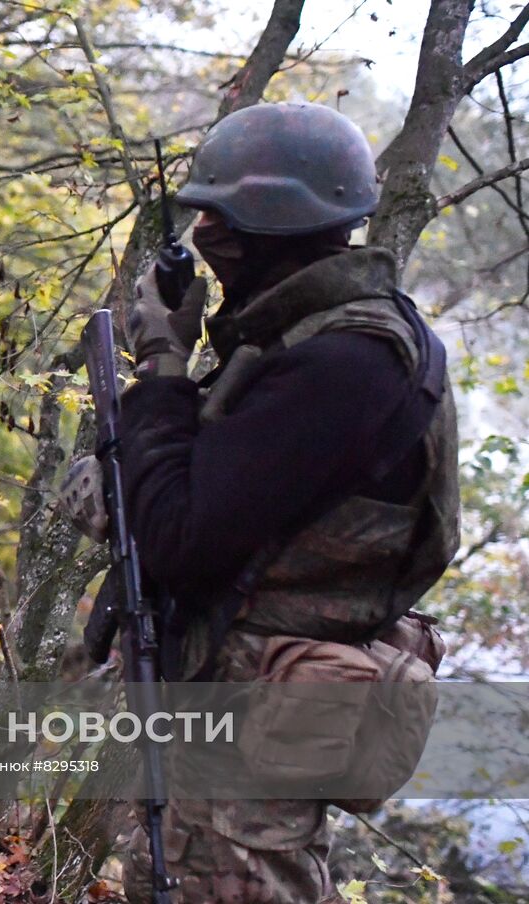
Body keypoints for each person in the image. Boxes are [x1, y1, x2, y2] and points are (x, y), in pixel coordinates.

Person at [67, 103, 460, 902]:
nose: (205, 232)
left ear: (262, 227)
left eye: (219, 213)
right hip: (232, 712)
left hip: (251, 743)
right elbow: (224, 501)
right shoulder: (309, 341)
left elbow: (182, 536)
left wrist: (164, 364)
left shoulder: (345, 363)